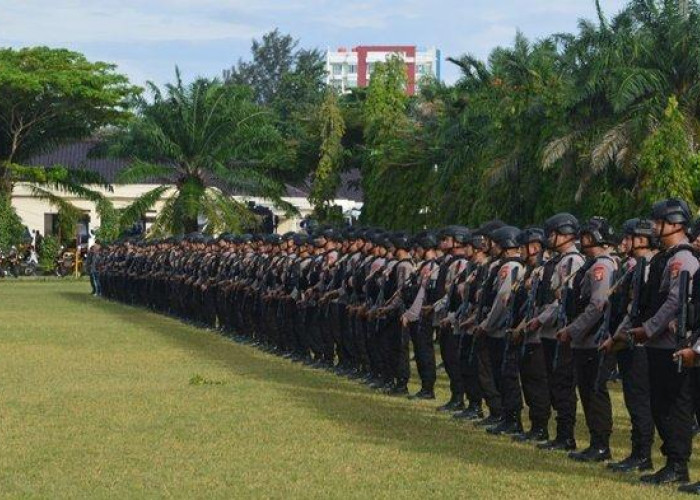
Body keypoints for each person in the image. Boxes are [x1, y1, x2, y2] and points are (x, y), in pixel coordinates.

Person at [625, 199, 698, 486]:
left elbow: (674, 301)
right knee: (660, 405)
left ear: (676, 224)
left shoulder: (682, 258)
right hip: (659, 342)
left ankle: (678, 465)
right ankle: (671, 461)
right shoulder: (666, 257)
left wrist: (649, 329)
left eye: (659, 222)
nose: (654, 228)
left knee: (674, 406)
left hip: (671, 343)